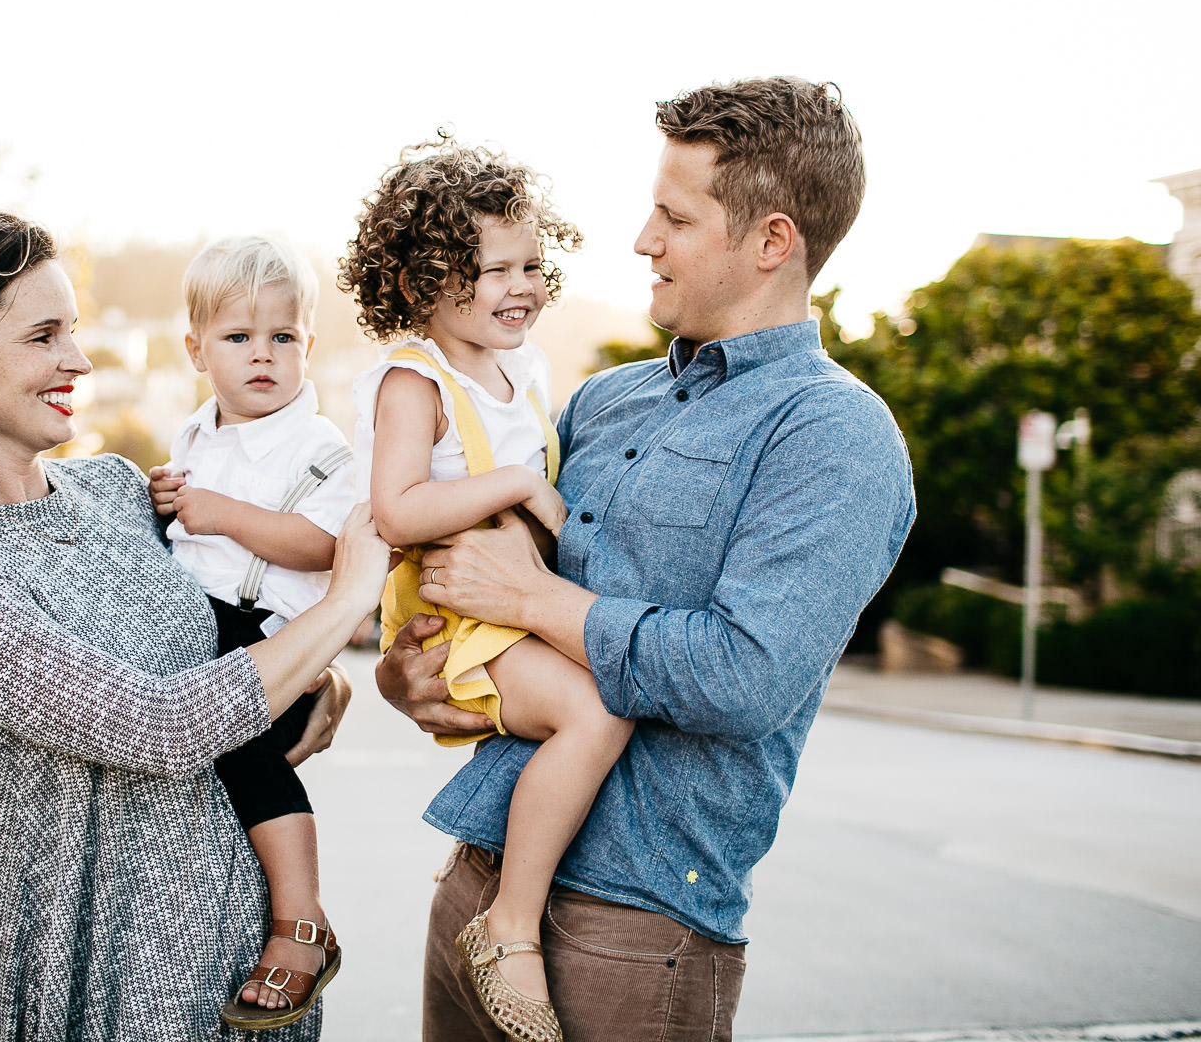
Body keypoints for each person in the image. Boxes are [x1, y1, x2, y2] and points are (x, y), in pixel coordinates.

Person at [378, 79, 917, 1041]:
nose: (642, 240)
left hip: (633, 925)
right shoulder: (603, 401)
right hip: (475, 877)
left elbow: (745, 676)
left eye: (675, 216)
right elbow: (473, 596)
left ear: (772, 242)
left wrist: (539, 601)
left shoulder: (834, 434)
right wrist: (407, 672)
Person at [0, 211, 389, 1042]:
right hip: (76, 983)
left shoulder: (116, 491)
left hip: (234, 975)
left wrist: (314, 680)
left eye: (72, 331)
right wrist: (344, 605)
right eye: (43, 336)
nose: (77, 360)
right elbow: (161, 724)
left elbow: (220, 655)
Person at [339, 139, 631, 1042]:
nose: (521, 286)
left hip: (512, 605)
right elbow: (395, 508)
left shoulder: (529, 373)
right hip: (455, 619)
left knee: (600, 696)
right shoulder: (412, 381)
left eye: (531, 264)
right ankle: (508, 927)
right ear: (423, 285)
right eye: (489, 269)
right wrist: (517, 487)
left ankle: (492, 873)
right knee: (596, 712)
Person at [147, 236, 356, 1029]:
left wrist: (222, 513)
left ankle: (301, 923)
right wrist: (170, 497)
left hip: (274, 642)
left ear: (309, 345)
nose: (261, 356)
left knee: (242, 746)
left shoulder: (320, 445)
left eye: (282, 338)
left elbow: (325, 545)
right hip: (203, 631)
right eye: (238, 338)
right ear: (197, 350)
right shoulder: (195, 436)